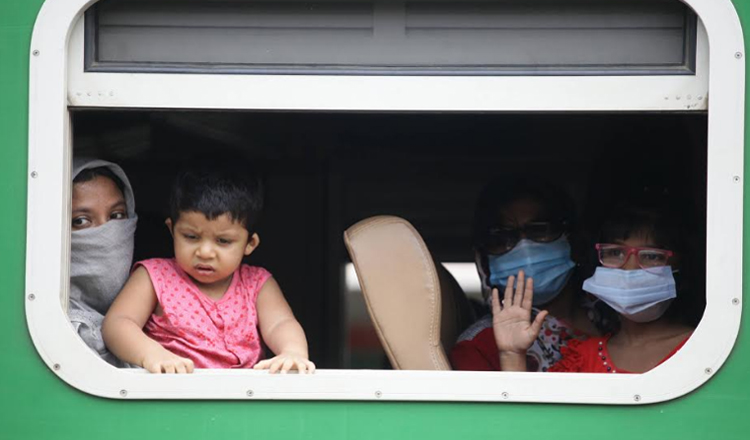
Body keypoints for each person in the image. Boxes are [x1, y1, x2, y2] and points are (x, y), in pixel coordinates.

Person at [102, 158, 315, 374]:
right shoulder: (153, 276)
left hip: (245, 400)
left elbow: (280, 324)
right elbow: (118, 323)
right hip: (175, 396)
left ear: (249, 244)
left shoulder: (258, 283)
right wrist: (152, 354)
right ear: (171, 230)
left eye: (223, 241)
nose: (204, 252)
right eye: (191, 236)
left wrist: (292, 352)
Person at [495, 200, 696, 373]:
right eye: (616, 253)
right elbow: (540, 418)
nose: (629, 268)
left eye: (651, 256)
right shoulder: (579, 358)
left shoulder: (704, 348)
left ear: (679, 266)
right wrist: (512, 355)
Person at [451, 178, 601, 372]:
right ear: (484, 261)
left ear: (573, 240)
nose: (525, 248)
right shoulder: (480, 345)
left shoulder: (618, 316)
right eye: (502, 238)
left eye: (540, 230)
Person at [69, 159, 138, 367]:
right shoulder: (57, 322)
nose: (107, 232)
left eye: (117, 215)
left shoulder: (158, 302)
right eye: (81, 220)